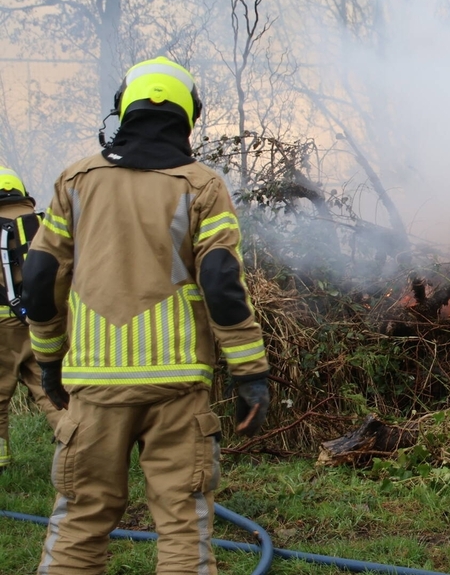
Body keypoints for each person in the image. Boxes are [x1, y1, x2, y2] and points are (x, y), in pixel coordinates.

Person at [23, 56, 270, 575]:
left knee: (79, 520)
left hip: (92, 388)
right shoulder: (202, 185)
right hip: (178, 388)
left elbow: (42, 275)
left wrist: (49, 360)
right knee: (183, 524)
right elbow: (223, 285)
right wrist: (250, 373)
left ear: (123, 110)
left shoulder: (75, 181)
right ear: (188, 117)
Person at [0, 166, 62, 472]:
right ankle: (76, 449)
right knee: (49, 389)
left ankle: (1, 462)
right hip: (39, 322)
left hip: (1, 329)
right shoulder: (39, 224)